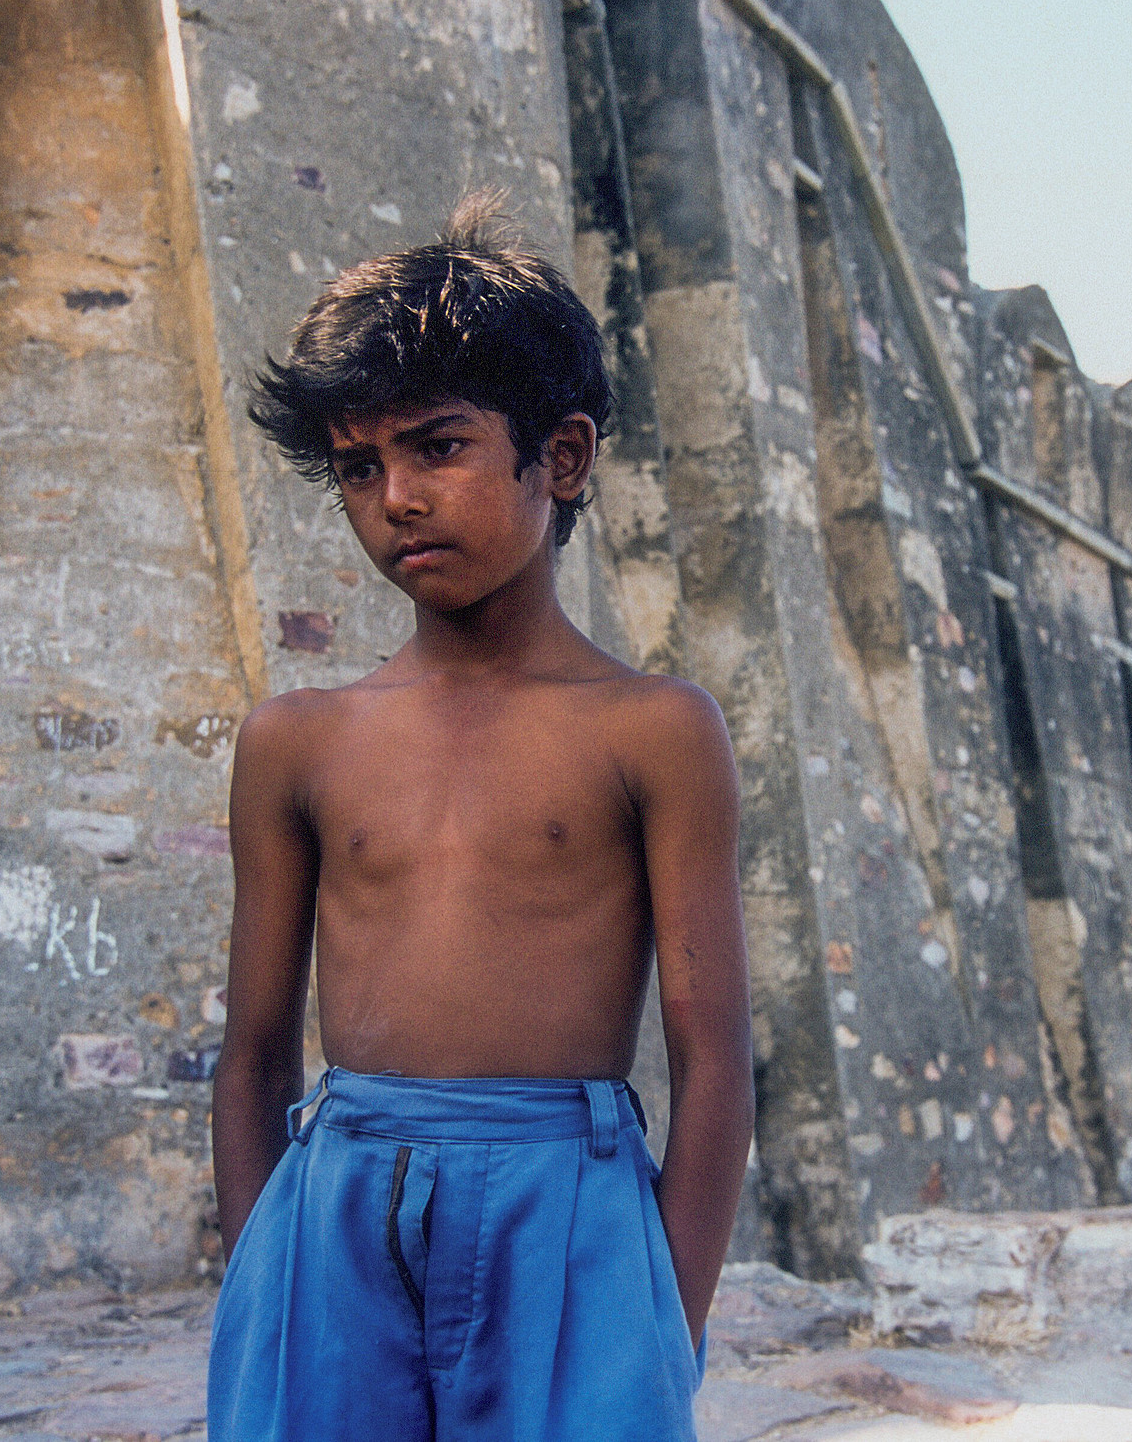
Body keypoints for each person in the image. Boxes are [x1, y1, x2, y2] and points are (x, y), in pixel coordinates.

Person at [207, 192, 753, 1442]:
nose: (395, 496)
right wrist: (261, 1273)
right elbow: (252, 1049)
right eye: (358, 465)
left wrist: (667, 1305)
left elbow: (715, 1055)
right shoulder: (298, 739)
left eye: (437, 446)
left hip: (566, 1194)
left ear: (559, 457)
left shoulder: (653, 729)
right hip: (337, 1194)